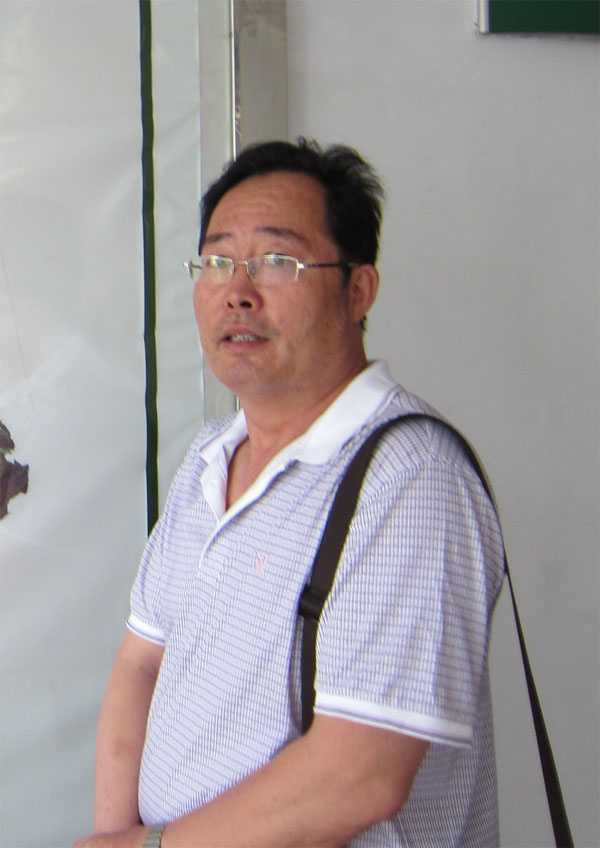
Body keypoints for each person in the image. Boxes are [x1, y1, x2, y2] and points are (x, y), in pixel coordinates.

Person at [75, 138, 505, 848]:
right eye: (218, 261)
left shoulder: (410, 477)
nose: (238, 290)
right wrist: (115, 836)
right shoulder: (210, 456)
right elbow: (143, 661)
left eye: (278, 260)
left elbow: (359, 774)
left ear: (359, 290)